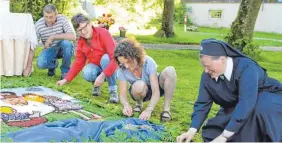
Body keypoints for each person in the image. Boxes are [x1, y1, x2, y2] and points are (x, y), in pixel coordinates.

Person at [177, 39, 282, 142]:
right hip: (238, 106)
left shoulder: (247, 67)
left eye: (208, 66)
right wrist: (191, 130)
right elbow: (202, 103)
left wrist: (225, 136)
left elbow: (246, 102)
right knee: (213, 134)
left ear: (222, 59)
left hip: (266, 99)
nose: (206, 70)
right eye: (203, 66)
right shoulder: (207, 75)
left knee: (258, 111)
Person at [56, 13, 119, 103]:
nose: (84, 32)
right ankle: (96, 85)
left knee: (106, 59)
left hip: (113, 66)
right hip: (97, 67)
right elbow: (78, 62)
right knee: (87, 71)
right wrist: (66, 80)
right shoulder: (81, 42)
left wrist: (102, 75)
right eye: (79, 30)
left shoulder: (103, 33)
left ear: (89, 24)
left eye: (84, 27)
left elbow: (115, 58)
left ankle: (113, 91)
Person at [114, 38, 177, 122]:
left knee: (170, 70)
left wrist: (149, 109)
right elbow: (122, 94)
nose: (126, 66)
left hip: (156, 87)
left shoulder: (148, 62)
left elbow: (155, 90)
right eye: (122, 63)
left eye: (128, 62)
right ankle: (139, 104)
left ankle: (166, 110)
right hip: (138, 91)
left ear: (136, 56)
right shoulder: (122, 69)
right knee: (139, 84)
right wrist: (126, 105)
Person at [35, 4, 76, 79]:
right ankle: (53, 64)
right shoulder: (38, 25)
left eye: (51, 17)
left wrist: (53, 37)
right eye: (46, 17)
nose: (48, 20)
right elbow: (34, 44)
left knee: (67, 43)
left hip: (62, 48)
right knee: (40, 63)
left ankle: (65, 72)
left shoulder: (62, 19)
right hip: (50, 49)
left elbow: (73, 36)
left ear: (56, 14)